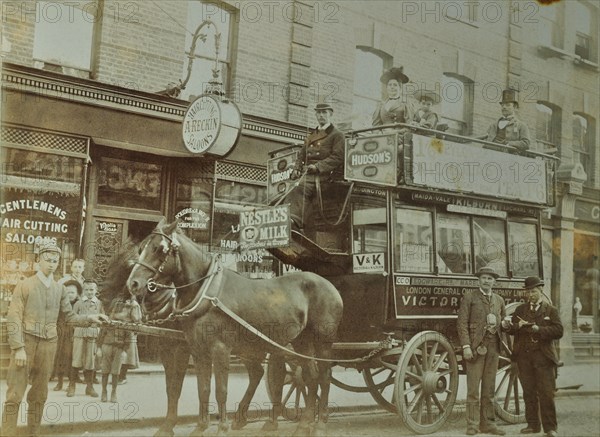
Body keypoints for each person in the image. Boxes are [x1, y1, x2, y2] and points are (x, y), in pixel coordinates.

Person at [1, 244, 108, 437]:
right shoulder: (25, 285)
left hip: (49, 345)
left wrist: (90, 319)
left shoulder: (60, 289)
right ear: (38, 261)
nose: (51, 264)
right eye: (47, 260)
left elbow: (69, 318)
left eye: (55, 261)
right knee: (15, 394)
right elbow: (14, 317)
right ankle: (7, 433)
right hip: (26, 343)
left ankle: (33, 433)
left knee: (40, 394)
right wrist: (18, 348)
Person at [506, 276, 563, 437]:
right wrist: (516, 325)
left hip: (544, 358)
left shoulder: (551, 310)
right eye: (529, 292)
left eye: (534, 291)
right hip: (524, 358)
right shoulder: (520, 310)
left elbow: (559, 331)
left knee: (546, 393)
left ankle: (550, 428)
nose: (531, 294)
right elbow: (511, 330)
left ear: (541, 291)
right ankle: (532, 425)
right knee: (528, 392)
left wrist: (540, 329)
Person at [457, 266, 508, 436]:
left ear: (494, 281)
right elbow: (462, 323)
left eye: (490, 278)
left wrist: (500, 323)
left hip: (493, 348)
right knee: (473, 390)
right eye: (484, 278)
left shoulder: (499, 300)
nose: (486, 281)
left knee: (489, 388)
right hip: (475, 349)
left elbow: (505, 323)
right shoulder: (470, 297)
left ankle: (488, 424)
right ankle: (472, 425)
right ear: (479, 280)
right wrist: (466, 346)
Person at [286, 102, 345, 229]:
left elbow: (338, 157)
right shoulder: (312, 135)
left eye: (324, 112)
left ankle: (295, 221)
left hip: (324, 176)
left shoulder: (337, 135)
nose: (321, 115)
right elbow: (301, 156)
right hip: (308, 173)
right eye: (319, 113)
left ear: (331, 114)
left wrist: (318, 166)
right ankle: (288, 218)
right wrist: (296, 169)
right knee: (288, 187)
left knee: (299, 187)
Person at [97, 297, 142, 402]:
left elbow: (127, 339)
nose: (116, 313)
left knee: (115, 372)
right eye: (114, 310)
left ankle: (114, 392)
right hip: (106, 346)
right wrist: (99, 348)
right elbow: (101, 335)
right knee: (105, 371)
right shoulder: (107, 322)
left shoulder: (125, 325)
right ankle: (104, 392)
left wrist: (125, 351)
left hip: (119, 348)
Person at [71, 279, 104, 398]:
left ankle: (89, 387)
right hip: (79, 334)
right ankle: (71, 386)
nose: (89, 292)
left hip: (93, 335)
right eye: (86, 290)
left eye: (92, 290)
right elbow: (72, 319)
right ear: (83, 291)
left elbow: (102, 319)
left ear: (96, 290)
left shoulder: (99, 304)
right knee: (76, 359)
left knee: (90, 361)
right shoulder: (78, 303)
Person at [51, 280, 81, 392]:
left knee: (72, 359)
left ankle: (71, 383)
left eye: (72, 292)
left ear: (77, 294)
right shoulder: (60, 305)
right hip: (61, 334)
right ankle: (59, 382)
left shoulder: (78, 305)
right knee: (60, 357)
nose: (70, 295)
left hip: (74, 335)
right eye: (67, 292)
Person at [484, 89, 531, 153]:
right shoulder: (493, 125)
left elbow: (526, 143)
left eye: (508, 105)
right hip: (490, 154)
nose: (504, 107)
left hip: (509, 156)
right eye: (502, 105)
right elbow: (485, 139)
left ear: (514, 107)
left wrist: (509, 144)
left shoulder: (521, 126)